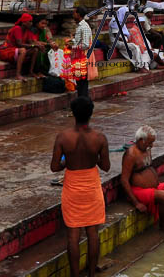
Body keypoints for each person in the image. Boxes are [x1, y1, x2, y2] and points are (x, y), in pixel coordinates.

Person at [51, 96, 110, 277]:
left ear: (73, 114)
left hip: (72, 187)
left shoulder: (63, 137)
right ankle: (91, 274)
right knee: (92, 233)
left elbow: (54, 167)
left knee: (73, 235)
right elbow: (106, 167)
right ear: (91, 114)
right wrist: (94, 157)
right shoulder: (99, 138)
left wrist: (66, 161)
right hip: (92, 187)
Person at [110, 6, 149, 70]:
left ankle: (140, 66)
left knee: (138, 47)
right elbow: (116, 36)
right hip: (117, 42)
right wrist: (127, 42)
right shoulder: (115, 21)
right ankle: (140, 67)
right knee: (135, 47)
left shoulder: (121, 21)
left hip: (124, 41)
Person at [1, 13, 37, 81]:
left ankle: (31, 71)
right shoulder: (17, 28)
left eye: (31, 21)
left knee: (35, 50)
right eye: (29, 21)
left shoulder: (27, 30)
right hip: (7, 50)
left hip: (16, 50)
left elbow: (31, 42)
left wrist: (38, 45)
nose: (31, 23)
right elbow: (19, 44)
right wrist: (33, 45)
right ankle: (18, 74)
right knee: (23, 50)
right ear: (23, 22)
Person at [71, 6, 93, 98]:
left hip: (82, 58)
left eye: (74, 13)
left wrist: (72, 46)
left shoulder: (83, 27)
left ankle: (83, 101)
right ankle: (82, 100)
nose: (73, 14)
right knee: (80, 82)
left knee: (82, 82)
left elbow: (85, 45)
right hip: (79, 57)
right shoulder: (81, 26)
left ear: (78, 14)